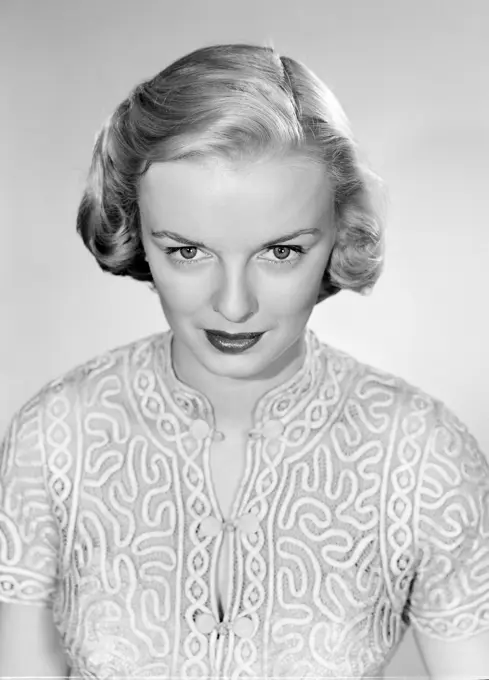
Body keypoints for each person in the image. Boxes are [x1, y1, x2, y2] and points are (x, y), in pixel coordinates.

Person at [0, 42, 488, 680]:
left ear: (338, 234)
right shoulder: (54, 436)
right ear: (136, 231)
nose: (233, 305)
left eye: (281, 251)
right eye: (186, 251)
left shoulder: (423, 456)